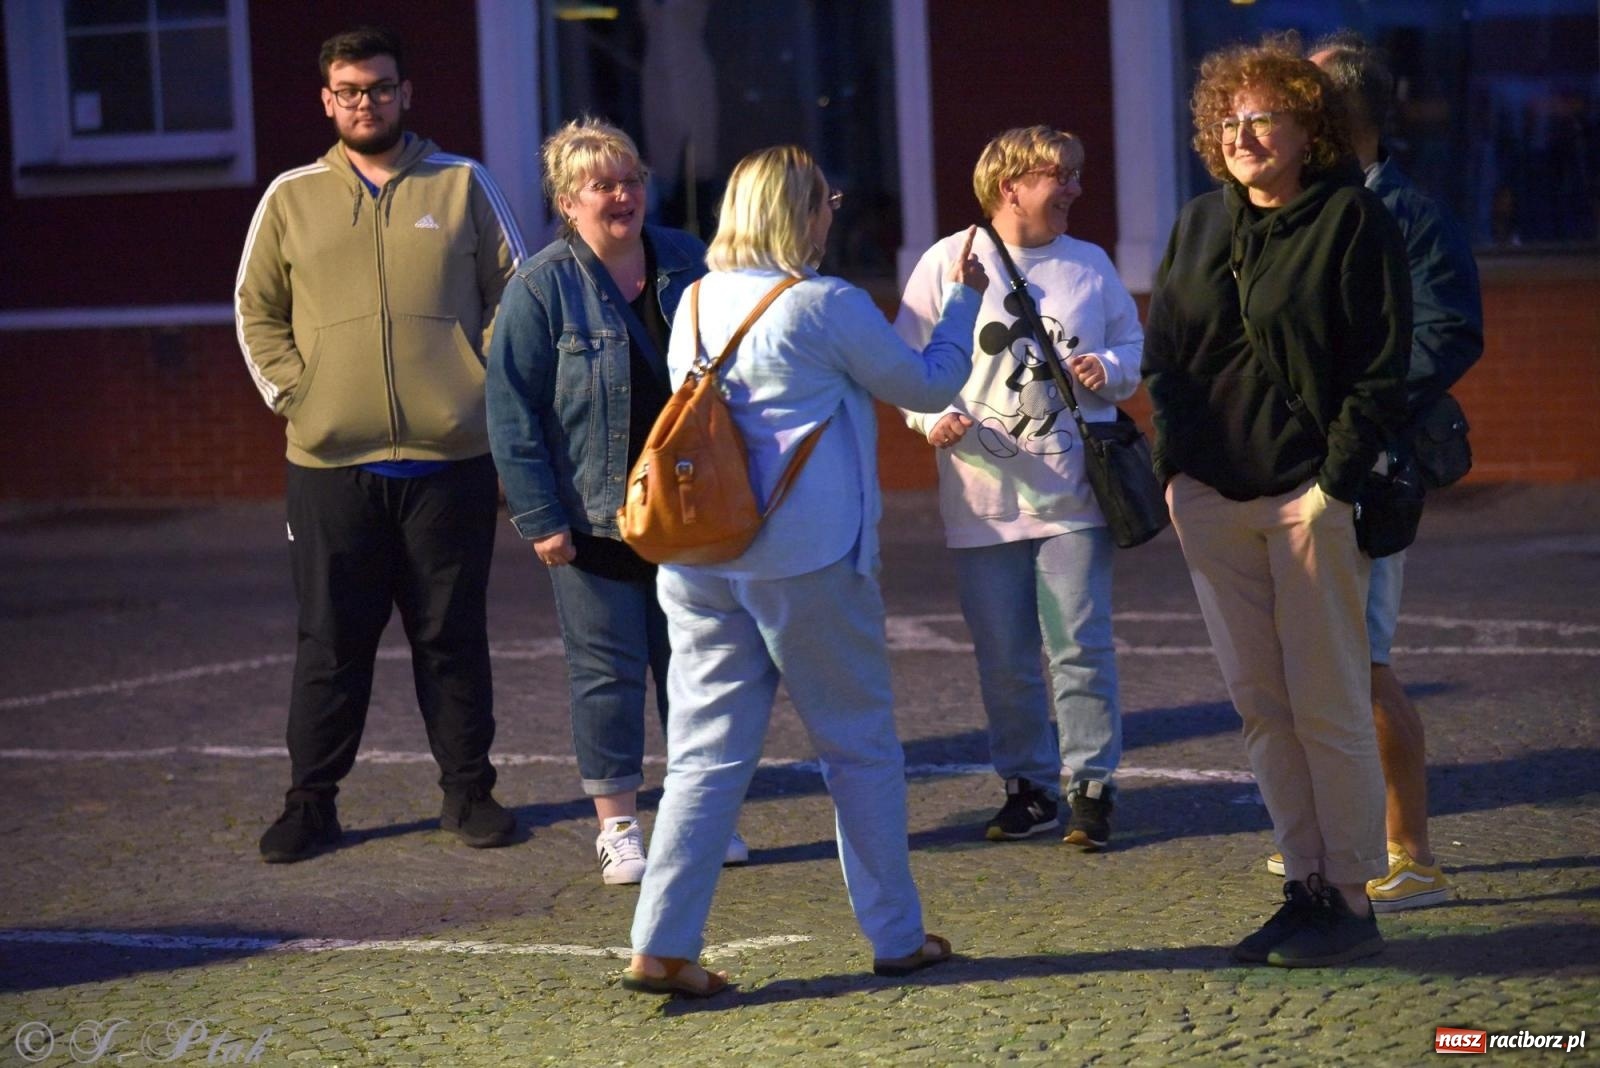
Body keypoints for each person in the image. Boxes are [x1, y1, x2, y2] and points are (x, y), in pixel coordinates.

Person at [622, 145, 988, 997]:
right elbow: (928, 385)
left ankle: (661, 943)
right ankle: (895, 936)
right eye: (826, 198)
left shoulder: (695, 299)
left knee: (703, 758)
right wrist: (964, 298)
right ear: (801, 211)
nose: (833, 210)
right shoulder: (825, 304)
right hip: (807, 557)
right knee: (858, 751)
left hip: (700, 553)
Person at [1143, 33, 1412, 966]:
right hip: (1212, 502)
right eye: (1229, 120)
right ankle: (1304, 885)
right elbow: (1166, 360)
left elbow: (1380, 368)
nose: (1243, 135)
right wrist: (1175, 474)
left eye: (1263, 118)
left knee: (1328, 705)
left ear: (1309, 131)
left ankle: (1353, 900)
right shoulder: (1197, 226)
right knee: (1262, 707)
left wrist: (1334, 487)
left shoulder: (1350, 221)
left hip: (1307, 500)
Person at [235, 26, 526, 862]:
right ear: (328, 100)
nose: (367, 103)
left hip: (449, 463)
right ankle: (311, 803)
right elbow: (256, 308)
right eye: (351, 91)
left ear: (406, 93)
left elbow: (515, 293)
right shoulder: (291, 197)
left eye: (381, 88)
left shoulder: (463, 183)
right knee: (330, 644)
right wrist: (299, 395)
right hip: (331, 468)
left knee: (452, 638)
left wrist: (477, 387)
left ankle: (468, 793)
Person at [486, 118, 741, 887]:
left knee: (694, 668)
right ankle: (618, 828)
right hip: (592, 516)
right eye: (603, 185)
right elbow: (511, 412)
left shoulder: (690, 259)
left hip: (693, 508)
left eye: (631, 180)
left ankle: (700, 817)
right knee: (607, 675)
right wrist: (541, 519)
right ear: (569, 202)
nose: (622, 196)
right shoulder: (541, 287)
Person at [894, 126, 1143, 851]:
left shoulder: (1089, 263)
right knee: (1004, 658)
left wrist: (1108, 368)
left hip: (1074, 498)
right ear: (1011, 186)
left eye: (1076, 174)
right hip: (982, 501)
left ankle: (1091, 788)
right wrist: (930, 417)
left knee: (1080, 646)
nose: (1075, 189)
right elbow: (903, 363)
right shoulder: (948, 261)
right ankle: (1028, 787)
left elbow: (1133, 349)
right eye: (1060, 176)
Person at [1301, 31, 1484, 911]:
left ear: (1343, 114)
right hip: (1304, 464)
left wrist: (1357, 402)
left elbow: (1448, 331)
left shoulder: (1407, 212)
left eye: (1301, 102)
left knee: (1363, 661)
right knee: (1316, 665)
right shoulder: (1313, 207)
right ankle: (1342, 840)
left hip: (1372, 467)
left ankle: (1411, 855)